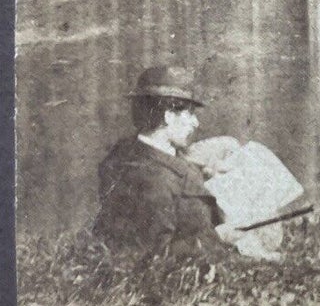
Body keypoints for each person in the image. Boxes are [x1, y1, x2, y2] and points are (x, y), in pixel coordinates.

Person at [92, 66, 227, 257]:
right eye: (190, 113)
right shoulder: (151, 182)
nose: (195, 123)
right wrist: (218, 238)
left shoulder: (130, 152)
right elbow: (156, 255)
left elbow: (170, 167)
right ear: (168, 116)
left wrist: (204, 170)